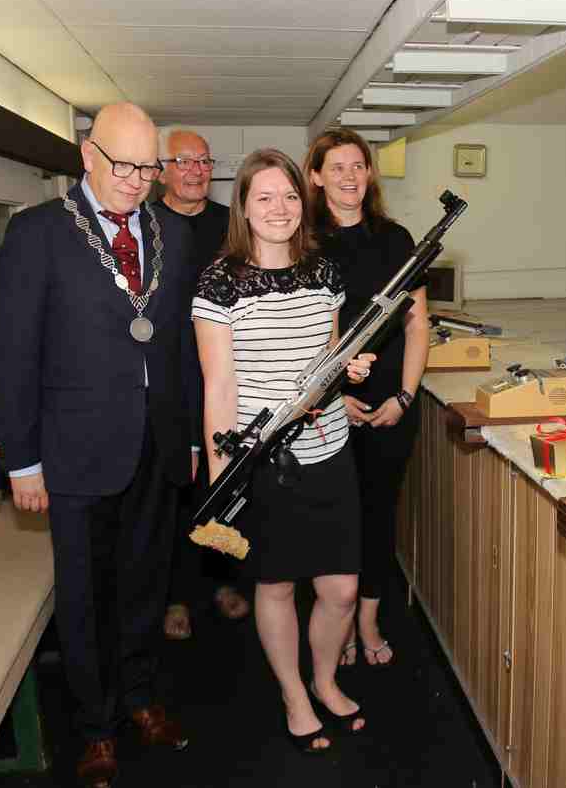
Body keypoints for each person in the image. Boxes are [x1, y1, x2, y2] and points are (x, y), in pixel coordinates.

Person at [0, 103, 194, 788]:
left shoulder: (170, 233)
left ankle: (140, 698)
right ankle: (95, 727)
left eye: (148, 167)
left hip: (156, 445)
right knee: (83, 597)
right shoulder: (37, 233)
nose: (137, 180)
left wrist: (190, 438)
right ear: (87, 154)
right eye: (123, 165)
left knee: (145, 586)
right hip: (74, 452)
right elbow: (13, 355)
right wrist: (22, 459)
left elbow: (181, 350)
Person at [192, 148, 373, 752]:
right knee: (275, 588)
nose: (280, 208)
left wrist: (349, 368)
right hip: (263, 463)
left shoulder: (324, 273)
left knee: (340, 589)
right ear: (243, 206)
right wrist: (222, 483)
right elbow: (219, 387)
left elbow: (328, 360)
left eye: (290, 195)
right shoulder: (220, 282)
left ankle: (324, 680)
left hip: (330, 453)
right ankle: (295, 695)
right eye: (264, 196)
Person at [305, 128, 429, 668]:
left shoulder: (397, 239)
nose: (350, 176)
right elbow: (305, 332)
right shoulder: (305, 242)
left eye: (358, 165)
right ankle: (338, 619)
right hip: (329, 405)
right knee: (336, 522)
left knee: (379, 515)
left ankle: (368, 621)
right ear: (316, 176)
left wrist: (405, 394)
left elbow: (418, 324)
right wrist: (331, 398)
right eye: (337, 167)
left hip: (390, 404)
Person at [156, 128, 249, 640]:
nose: (196, 170)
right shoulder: (146, 225)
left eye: (204, 161)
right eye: (184, 161)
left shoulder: (231, 227)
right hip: (170, 381)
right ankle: (175, 594)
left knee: (225, 484)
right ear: (162, 171)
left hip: (227, 376)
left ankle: (222, 582)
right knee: (175, 492)